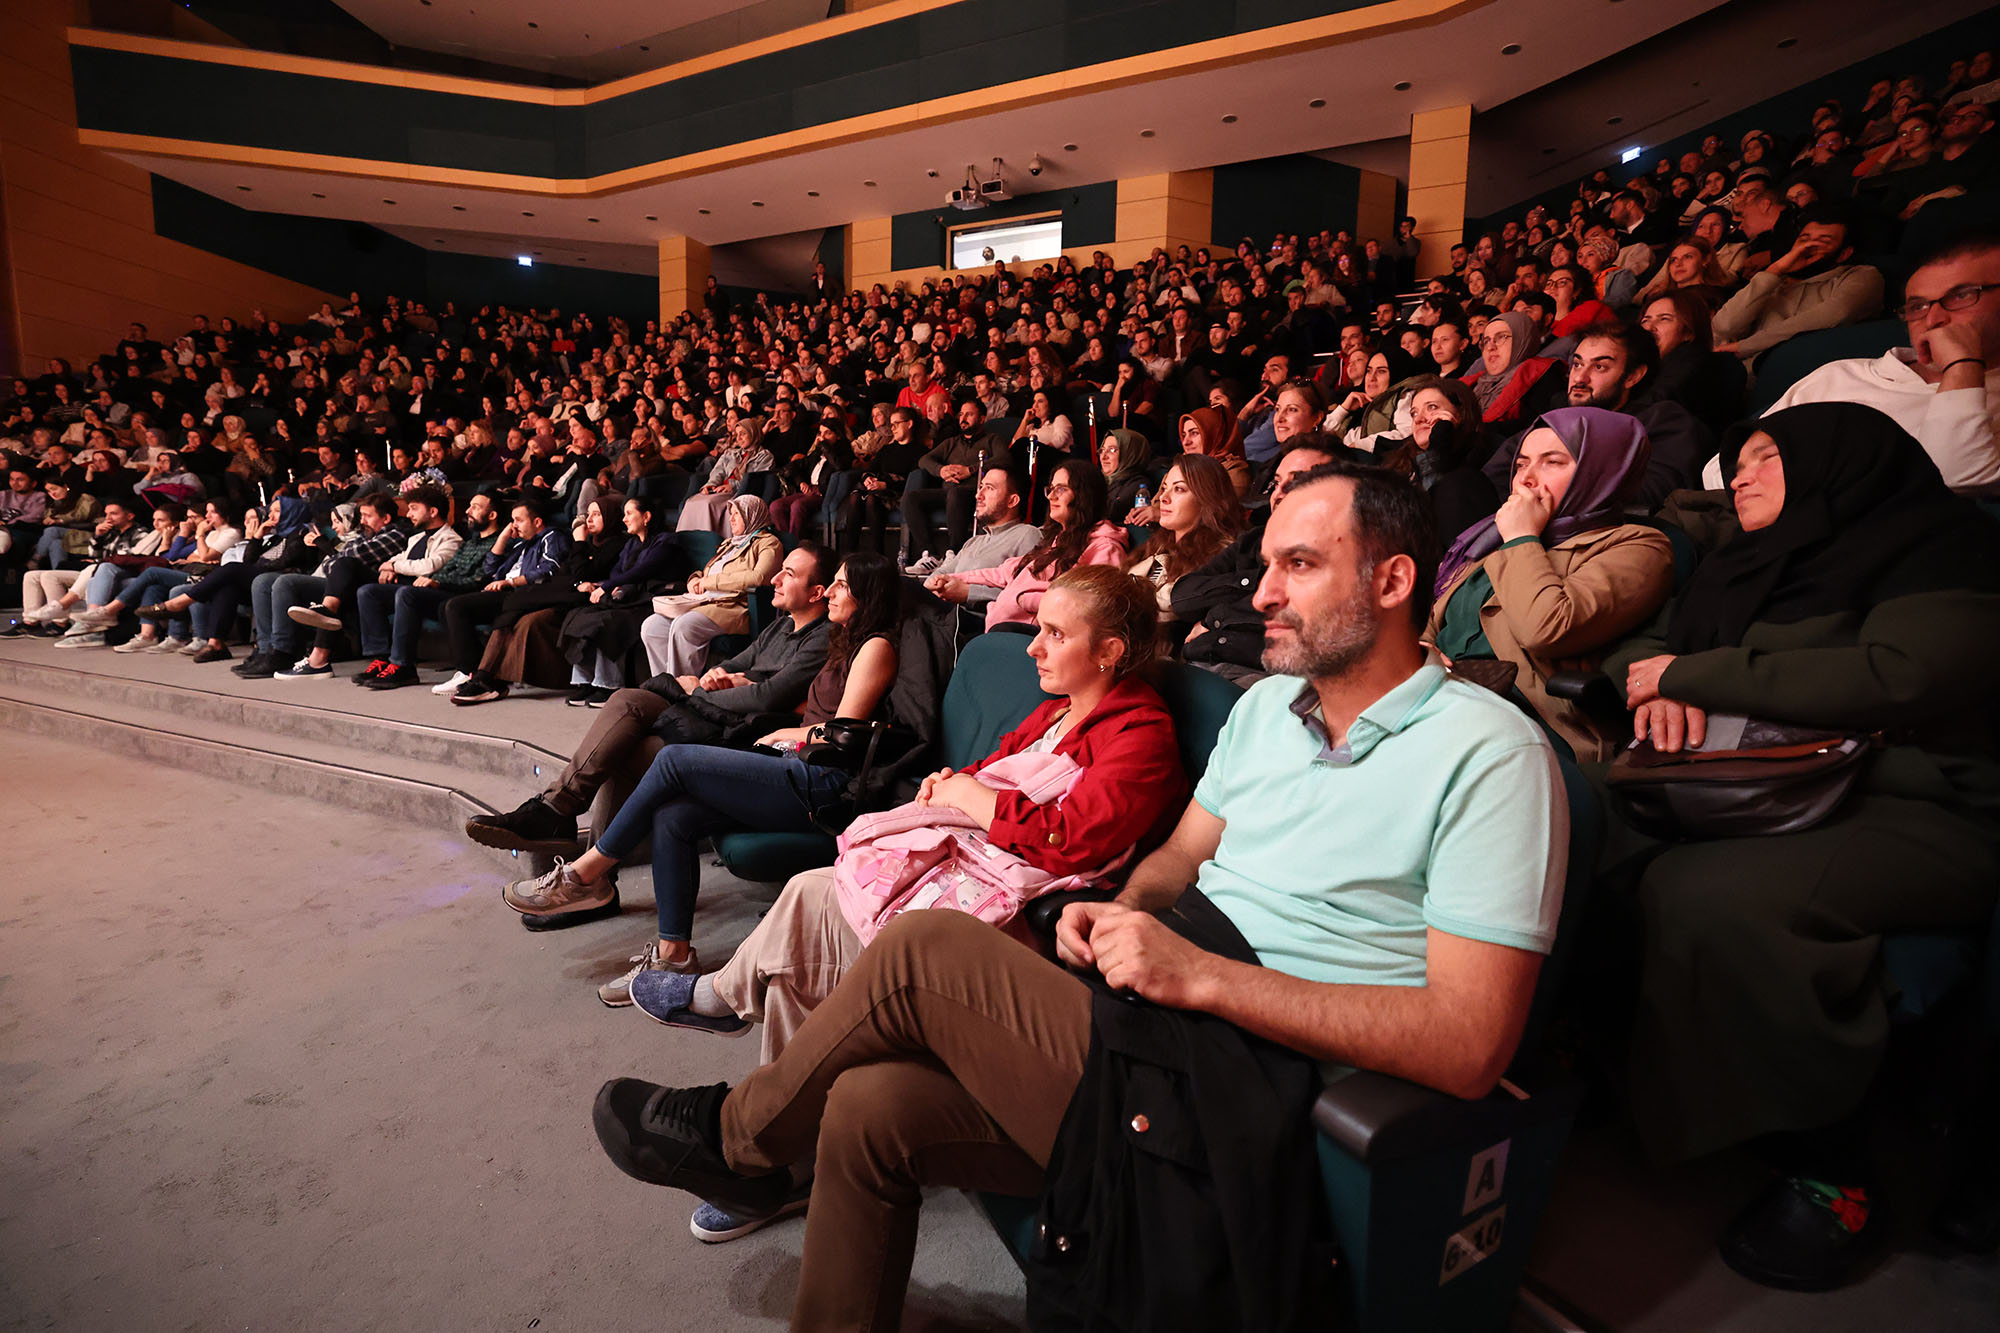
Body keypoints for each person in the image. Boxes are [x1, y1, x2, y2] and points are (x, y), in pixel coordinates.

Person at [587, 462, 1566, 1331]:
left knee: (925, 946)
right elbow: (1176, 859)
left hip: (1254, 1078)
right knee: (866, 1106)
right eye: (1264, 561)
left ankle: (738, 1140)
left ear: (1391, 581)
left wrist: (1202, 978)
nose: (1260, 591)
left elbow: (1467, 1044)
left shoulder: (1490, 755)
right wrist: (1126, 908)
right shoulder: (1270, 706)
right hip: (1152, 1022)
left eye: (1298, 566)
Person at [630, 565, 1192, 1242]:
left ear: (1109, 651)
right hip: (974, 874)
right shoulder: (1056, 712)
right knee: (808, 918)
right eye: (1037, 628)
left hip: (1015, 923)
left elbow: (1068, 839)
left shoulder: (1142, 734)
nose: (1032, 648)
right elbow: (990, 777)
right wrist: (954, 786)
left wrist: (972, 798)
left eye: (1052, 633)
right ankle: (781, 1157)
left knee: (810, 906)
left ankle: (736, 1041)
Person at [1598, 404, 2000, 1291]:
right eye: (1735, 461)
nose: (1738, 476)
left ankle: (1837, 1163)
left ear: (1840, 464)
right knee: (1589, 837)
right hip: (1757, 780)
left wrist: (1701, 675)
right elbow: (1656, 646)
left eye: (1766, 458)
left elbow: (1907, 670)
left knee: (1710, 897)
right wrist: (1658, 693)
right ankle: (1649, 1090)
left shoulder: (1940, 542)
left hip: (1917, 801)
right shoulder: (1745, 559)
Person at [503, 552, 904, 1005]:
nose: (830, 591)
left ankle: (587, 873)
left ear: (867, 596)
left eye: (842, 586)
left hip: (826, 783)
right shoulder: (843, 642)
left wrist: (785, 731)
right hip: (793, 762)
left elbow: (842, 735)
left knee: (673, 760)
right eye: (830, 583)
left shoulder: (876, 647)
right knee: (676, 815)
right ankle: (674, 956)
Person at [466, 543, 836, 869]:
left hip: (741, 730)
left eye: (788, 574)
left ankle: (581, 855)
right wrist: (719, 678)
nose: (774, 579)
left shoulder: (823, 640)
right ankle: (566, 824)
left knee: (628, 742)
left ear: (817, 591)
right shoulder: (780, 626)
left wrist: (701, 691)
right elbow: (735, 665)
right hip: (716, 710)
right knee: (626, 702)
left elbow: (769, 697)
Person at [1429, 407, 1675, 760]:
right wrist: (1423, 648)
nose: (1526, 479)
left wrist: (1521, 538)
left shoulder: (1639, 546)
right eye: (1521, 464)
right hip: (1446, 697)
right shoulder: (1495, 535)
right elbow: (1435, 614)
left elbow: (1544, 628)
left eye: (1552, 462)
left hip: (1527, 722)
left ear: (1599, 473)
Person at [1730, 228, 1998, 488]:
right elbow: (1723, 468)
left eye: (1962, 295)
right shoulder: (1841, 373)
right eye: (1918, 306)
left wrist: (1962, 367)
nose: (1933, 319)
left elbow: (1954, 478)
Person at [1170, 439, 1343, 683]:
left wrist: (1219, 626)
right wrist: (1250, 584)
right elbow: (1182, 597)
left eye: (1295, 482)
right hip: (1197, 665)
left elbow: (1297, 651)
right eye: (1276, 482)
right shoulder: (1254, 539)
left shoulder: (1339, 557)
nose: (1279, 493)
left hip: (1258, 680)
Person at [451, 494, 629, 703]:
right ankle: (484, 678)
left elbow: (574, 572)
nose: (589, 520)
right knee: (508, 618)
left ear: (611, 517)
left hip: (579, 601)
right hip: (561, 595)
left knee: (527, 621)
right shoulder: (582, 544)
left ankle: (493, 680)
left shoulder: (616, 544)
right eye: (588, 514)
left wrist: (579, 543)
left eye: (596, 515)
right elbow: (569, 572)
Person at [926, 460, 1128, 632]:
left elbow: (1094, 602)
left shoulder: (1104, 546)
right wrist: (948, 578)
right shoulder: (1056, 541)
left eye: (1061, 489)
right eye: (1051, 489)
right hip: (1000, 626)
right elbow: (1004, 573)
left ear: (1084, 495)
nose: (1051, 497)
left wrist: (1021, 599)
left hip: (1029, 634)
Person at [354, 492, 506, 691]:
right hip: (443, 587)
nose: (467, 511)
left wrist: (436, 581)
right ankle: (383, 658)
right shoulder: (471, 542)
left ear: (492, 515)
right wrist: (398, 566)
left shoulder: (494, 543)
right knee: (368, 591)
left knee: (407, 594)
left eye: (475, 507)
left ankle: (403, 667)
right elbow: (448, 569)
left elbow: (478, 578)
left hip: (461, 596)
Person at [434, 498, 570, 697]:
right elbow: (489, 570)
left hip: (523, 594)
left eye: (518, 520)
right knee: (444, 606)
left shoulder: (552, 536)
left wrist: (511, 583)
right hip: (504, 591)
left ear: (537, 522)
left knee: (456, 607)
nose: (514, 525)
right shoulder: (522, 544)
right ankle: (474, 669)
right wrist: (504, 537)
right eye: (512, 521)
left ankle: (471, 672)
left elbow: (550, 569)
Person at [1711, 205, 1884, 361]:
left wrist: (1748, 346)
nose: (1807, 247)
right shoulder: (1773, 282)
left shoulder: (1861, 276)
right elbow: (1725, 327)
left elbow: (1837, 314)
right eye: (1804, 239)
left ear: (1844, 253)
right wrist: (1776, 269)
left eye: (1822, 242)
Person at [638, 493, 782, 679]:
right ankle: (664, 684)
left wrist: (707, 583)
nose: (731, 518)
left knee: (684, 626)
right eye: (730, 513)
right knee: (652, 626)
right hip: (704, 602)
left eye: (737, 513)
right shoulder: (729, 544)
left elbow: (758, 577)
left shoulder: (768, 543)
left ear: (751, 514)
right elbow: (707, 572)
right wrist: (694, 580)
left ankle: (681, 691)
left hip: (734, 606)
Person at [1124, 454, 1242, 626]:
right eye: (1164, 488)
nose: (1164, 497)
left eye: (1179, 489)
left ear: (1206, 498)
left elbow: (1167, 610)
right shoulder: (1159, 545)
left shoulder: (1222, 555)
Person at [904, 463, 1041, 600]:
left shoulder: (1027, 535)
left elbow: (1026, 595)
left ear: (1012, 501)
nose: (978, 495)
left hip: (979, 619)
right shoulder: (974, 541)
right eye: (981, 487)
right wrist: (934, 583)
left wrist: (969, 593)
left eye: (989, 488)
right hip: (946, 614)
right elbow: (944, 570)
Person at [1640, 292, 1748, 433]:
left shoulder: (1698, 362)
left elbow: (1657, 401)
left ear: (1688, 332)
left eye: (1664, 319)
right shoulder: (1643, 365)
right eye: (1645, 320)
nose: (1649, 327)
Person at [678, 418, 774, 532]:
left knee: (708, 504)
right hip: (720, 489)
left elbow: (755, 479)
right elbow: (718, 471)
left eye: (743, 434)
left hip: (738, 492)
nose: (738, 438)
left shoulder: (764, 456)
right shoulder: (730, 453)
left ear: (754, 433)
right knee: (691, 502)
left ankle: (709, 540)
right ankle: (685, 541)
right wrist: (711, 484)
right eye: (736, 434)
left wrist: (732, 485)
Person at [1467, 311, 1559, 427]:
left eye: (1501, 337)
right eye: (1486, 341)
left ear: (1522, 340)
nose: (1490, 347)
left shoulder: (1543, 378)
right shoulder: (1474, 382)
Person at [1097, 427, 1153, 517]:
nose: (1103, 457)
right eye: (1102, 450)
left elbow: (1111, 510)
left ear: (1131, 453)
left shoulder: (1139, 484)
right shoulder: (1099, 479)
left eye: (1112, 450)